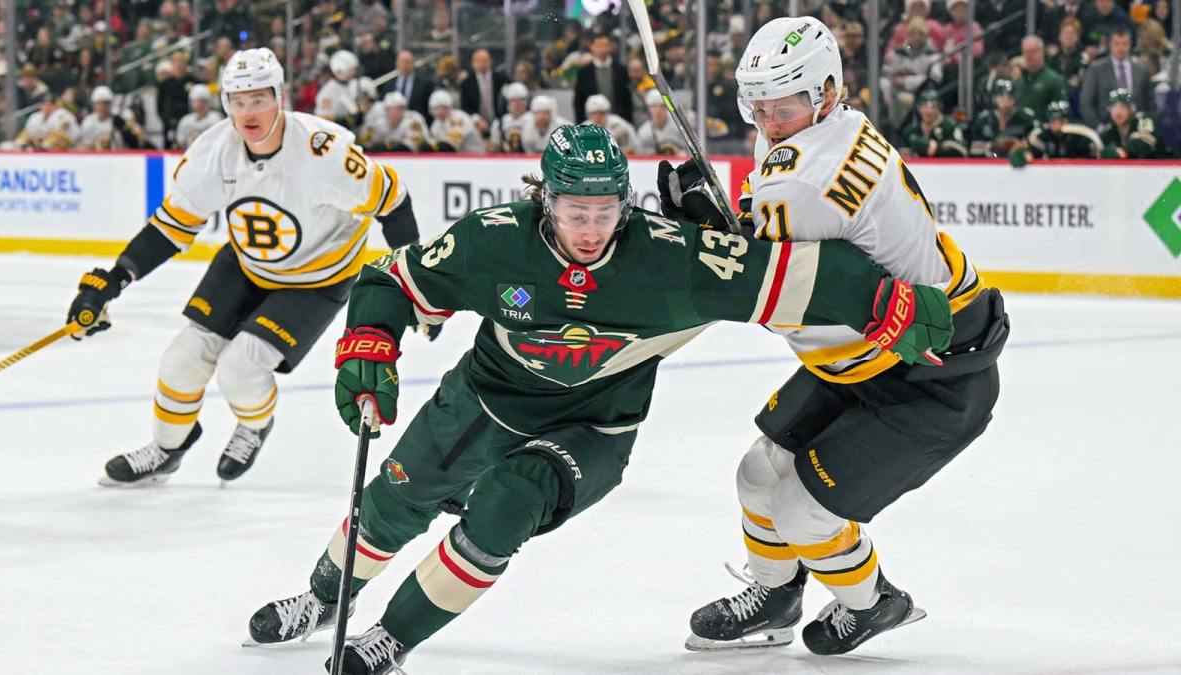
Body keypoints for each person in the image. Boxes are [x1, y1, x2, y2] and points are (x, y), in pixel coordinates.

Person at [244, 123, 954, 674]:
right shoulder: (492, 244)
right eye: (575, 211)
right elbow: (390, 279)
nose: (591, 229)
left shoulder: (666, 257)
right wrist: (370, 342)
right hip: (486, 397)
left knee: (507, 505)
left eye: (605, 211)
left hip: (594, 427)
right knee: (396, 499)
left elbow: (783, 275)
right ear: (543, 200)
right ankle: (322, 593)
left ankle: (389, 640)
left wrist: (880, 299)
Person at [659, 16, 1007, 657]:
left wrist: (708, 236)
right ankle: (773, 596)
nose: (767, 122)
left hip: (931, 381)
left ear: (822, 92)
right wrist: (731, 224)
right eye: (757, 107)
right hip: (876, 353)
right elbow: (784, 233)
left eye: (781, 107)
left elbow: (770, 293)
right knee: (757, 474)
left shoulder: (802, 176)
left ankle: (875, 603)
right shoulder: (825, 129)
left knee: (802, 512)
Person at [65, 48, 421, 487]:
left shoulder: (322, 152)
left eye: (258, 99)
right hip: (246, 263)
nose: (248, 112)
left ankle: (253, 425)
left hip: (317, 279)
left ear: (281, 97)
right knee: (182, 359)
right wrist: (113, 279)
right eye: (237, 101)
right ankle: (167, 448)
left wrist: (416, 283)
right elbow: (172, 227)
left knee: (242, 367)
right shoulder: (214, 151)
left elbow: (394, 200)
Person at [1079, 26, 1153, 128]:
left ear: (1130, 45)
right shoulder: (1096, 69)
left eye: (1124, 44)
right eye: (1117, 43)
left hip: (1137, 127)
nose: (1121, 48)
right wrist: (1099, 127)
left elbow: (1150, 102)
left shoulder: (1141, 70)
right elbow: (1086, 103)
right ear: (1110, 44)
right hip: (1106, 126)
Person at [969, 78, 1038, 157]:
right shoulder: (983, 120)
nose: (1006, 101)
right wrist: (990, 149)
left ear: (1015, 98)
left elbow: (1035, 148)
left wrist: (1023, 149)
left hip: (1018, 165)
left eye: (1010, 97)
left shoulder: (1026, 117)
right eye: (1001, 96)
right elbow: (975, 151)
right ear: (995, 98)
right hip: (989, 165)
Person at [317, 50, 377, 129]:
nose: (354, 73)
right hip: (336, 132)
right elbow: (324, 122)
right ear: (339, 70)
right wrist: (346, 120)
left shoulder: (354, 84)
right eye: (351, 70)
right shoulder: (327, 93)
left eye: (354, 69)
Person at [1014, 35, 1068, 122]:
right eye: (1026, 52)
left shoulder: (1054, 80)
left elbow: (1061, 110)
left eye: (1032, 52)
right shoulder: (1018, 81)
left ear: (1042, 52)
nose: (1029, 56)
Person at [1098, 88, 1163, 158]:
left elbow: (1143, 145)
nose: (1117, 111)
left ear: (1131, 109)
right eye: (1113, 107)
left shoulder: (1142, 121)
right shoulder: (1109, 130)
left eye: (1122, 107)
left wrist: (1123, 152)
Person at [900, 89, 967, 157]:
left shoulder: (950, 127)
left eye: (933, 106)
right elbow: (903, 157)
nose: (929, 111)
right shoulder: (911, 130)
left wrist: (937, 148)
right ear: (919, 108)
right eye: (925, 106)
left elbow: (961, 154)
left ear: (939, 108)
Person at [78, 86, 145, 150]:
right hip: (97, 159)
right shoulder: (88, 122)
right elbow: (85, 146)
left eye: (105, 103)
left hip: (121, 157)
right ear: (93, 104)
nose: (101, 106)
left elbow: (139, 141)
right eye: (98, 103)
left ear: (110, 103)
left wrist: (125, 130)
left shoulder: (123, 116)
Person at [360, 91, 430, 153]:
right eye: (390, 110)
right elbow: (368, 143)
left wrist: (391, 146)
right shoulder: (380, 122)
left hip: (414, 160)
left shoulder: (413, 119)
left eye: (398, 109)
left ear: (404, 109)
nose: (394, 113)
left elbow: (415, 145)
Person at [1028, 99, 1101, 158]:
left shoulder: (1080, 134)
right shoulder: (1043, 134)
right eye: (1053, 120)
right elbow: (1033, 151)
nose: (1056, 124)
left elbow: (1093, 154)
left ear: (1068, 120)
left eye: (1061, 120)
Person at [636, 89, 689, 155]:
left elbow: (690, 152)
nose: (658, 110)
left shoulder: (680, 127)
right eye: (654, 106)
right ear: (648, 109)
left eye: (662, 106)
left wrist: (678, 153)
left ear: (667, 107)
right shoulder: (644, 132)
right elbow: (640, 156)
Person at [174, 85, 223, 150]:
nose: (198, 104)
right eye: (195, 101)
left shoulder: (216, 119)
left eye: (202, 101)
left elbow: (220, 141)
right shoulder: (185, 120)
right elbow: (180, 142)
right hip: (191, 155)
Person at [489, 82, 531, 152]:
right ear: (507, 103)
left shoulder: (533, 119)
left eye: (521, 100)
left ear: (527, 102)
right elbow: (494, 145)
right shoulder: (499, 123)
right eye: (513, 100)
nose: (517, 104)